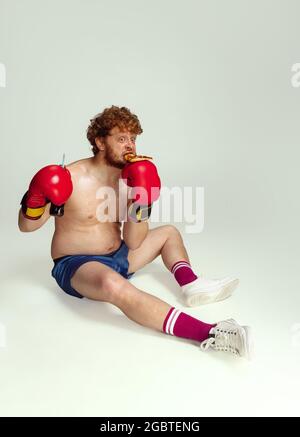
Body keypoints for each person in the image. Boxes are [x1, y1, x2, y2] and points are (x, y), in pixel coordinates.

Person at [18, 105, 253, 359]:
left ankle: (191, 284)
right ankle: (210, 333)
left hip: (120, 255)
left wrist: (142, 201)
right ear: (99, 142)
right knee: (111, 284)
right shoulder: (70, 177)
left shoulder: (131, 178)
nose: (130, 145)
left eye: (133, 139)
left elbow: (134, 240)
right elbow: (27, 227)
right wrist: (35, 198)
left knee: (169, 233)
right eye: (121, 139)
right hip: (78, 264)